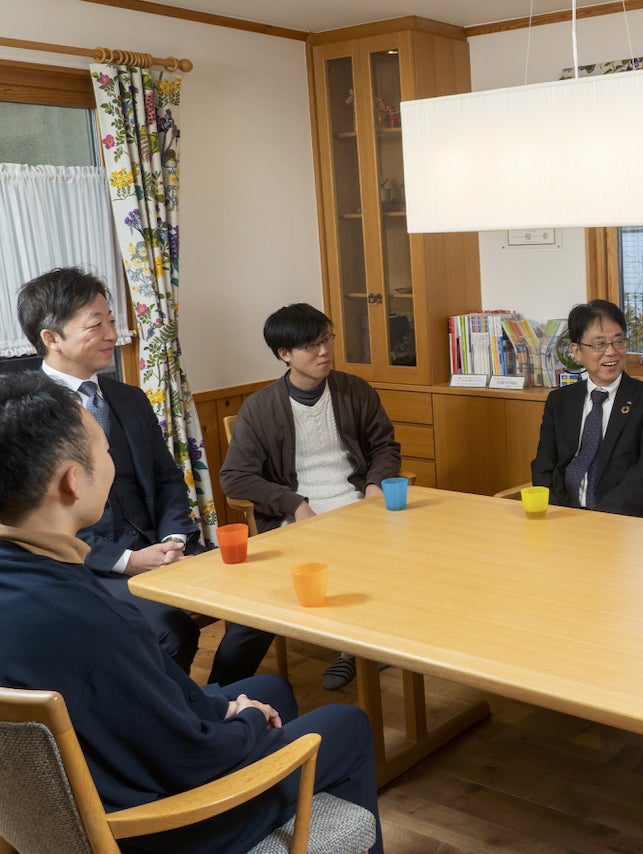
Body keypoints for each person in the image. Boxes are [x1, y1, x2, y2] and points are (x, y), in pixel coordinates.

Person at [0, 371, 383, 854]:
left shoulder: (34, 574)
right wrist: (245, 723)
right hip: (159, 826)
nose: (112, 462)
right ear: (73, 481)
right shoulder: (98, 624)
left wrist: (228, 709)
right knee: (347, 725)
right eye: (105, 451)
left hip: (68, 801)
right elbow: (189, 757)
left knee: (271, 690)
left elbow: (148, 704)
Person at [17, 267, 273, 686]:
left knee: (262, 603)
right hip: (90, 568)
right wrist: (130, 561)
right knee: (172, 632)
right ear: (52, 338)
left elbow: (167, 478)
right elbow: (37, 520)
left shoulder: (129, 398)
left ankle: (216, 698)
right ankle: (179, 715)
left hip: (163, 548)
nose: (113, 335)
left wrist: (174, 539)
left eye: (112, 321)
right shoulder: (28, 413)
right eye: (96, 325)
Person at [220, 303, 401, 690]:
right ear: (284, 353)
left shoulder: (354, 390)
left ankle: (357, 648)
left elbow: (385, 447)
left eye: (327, 340)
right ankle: (352, 647)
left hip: (357, 505)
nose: (324, 351)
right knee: (261, 602)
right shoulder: (261, 407)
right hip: (298, 520)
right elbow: (234, 478)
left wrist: (374, 485)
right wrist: (294, 504)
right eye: (312, 345)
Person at [530, 299, 643, 517]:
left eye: (619, 341)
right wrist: (555, 512)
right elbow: (544, 466)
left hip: (620, 521)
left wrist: (598, 519)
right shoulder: (559, 401)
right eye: (599, 344)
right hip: (562, 518)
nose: (611, 352)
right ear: (576, 351)